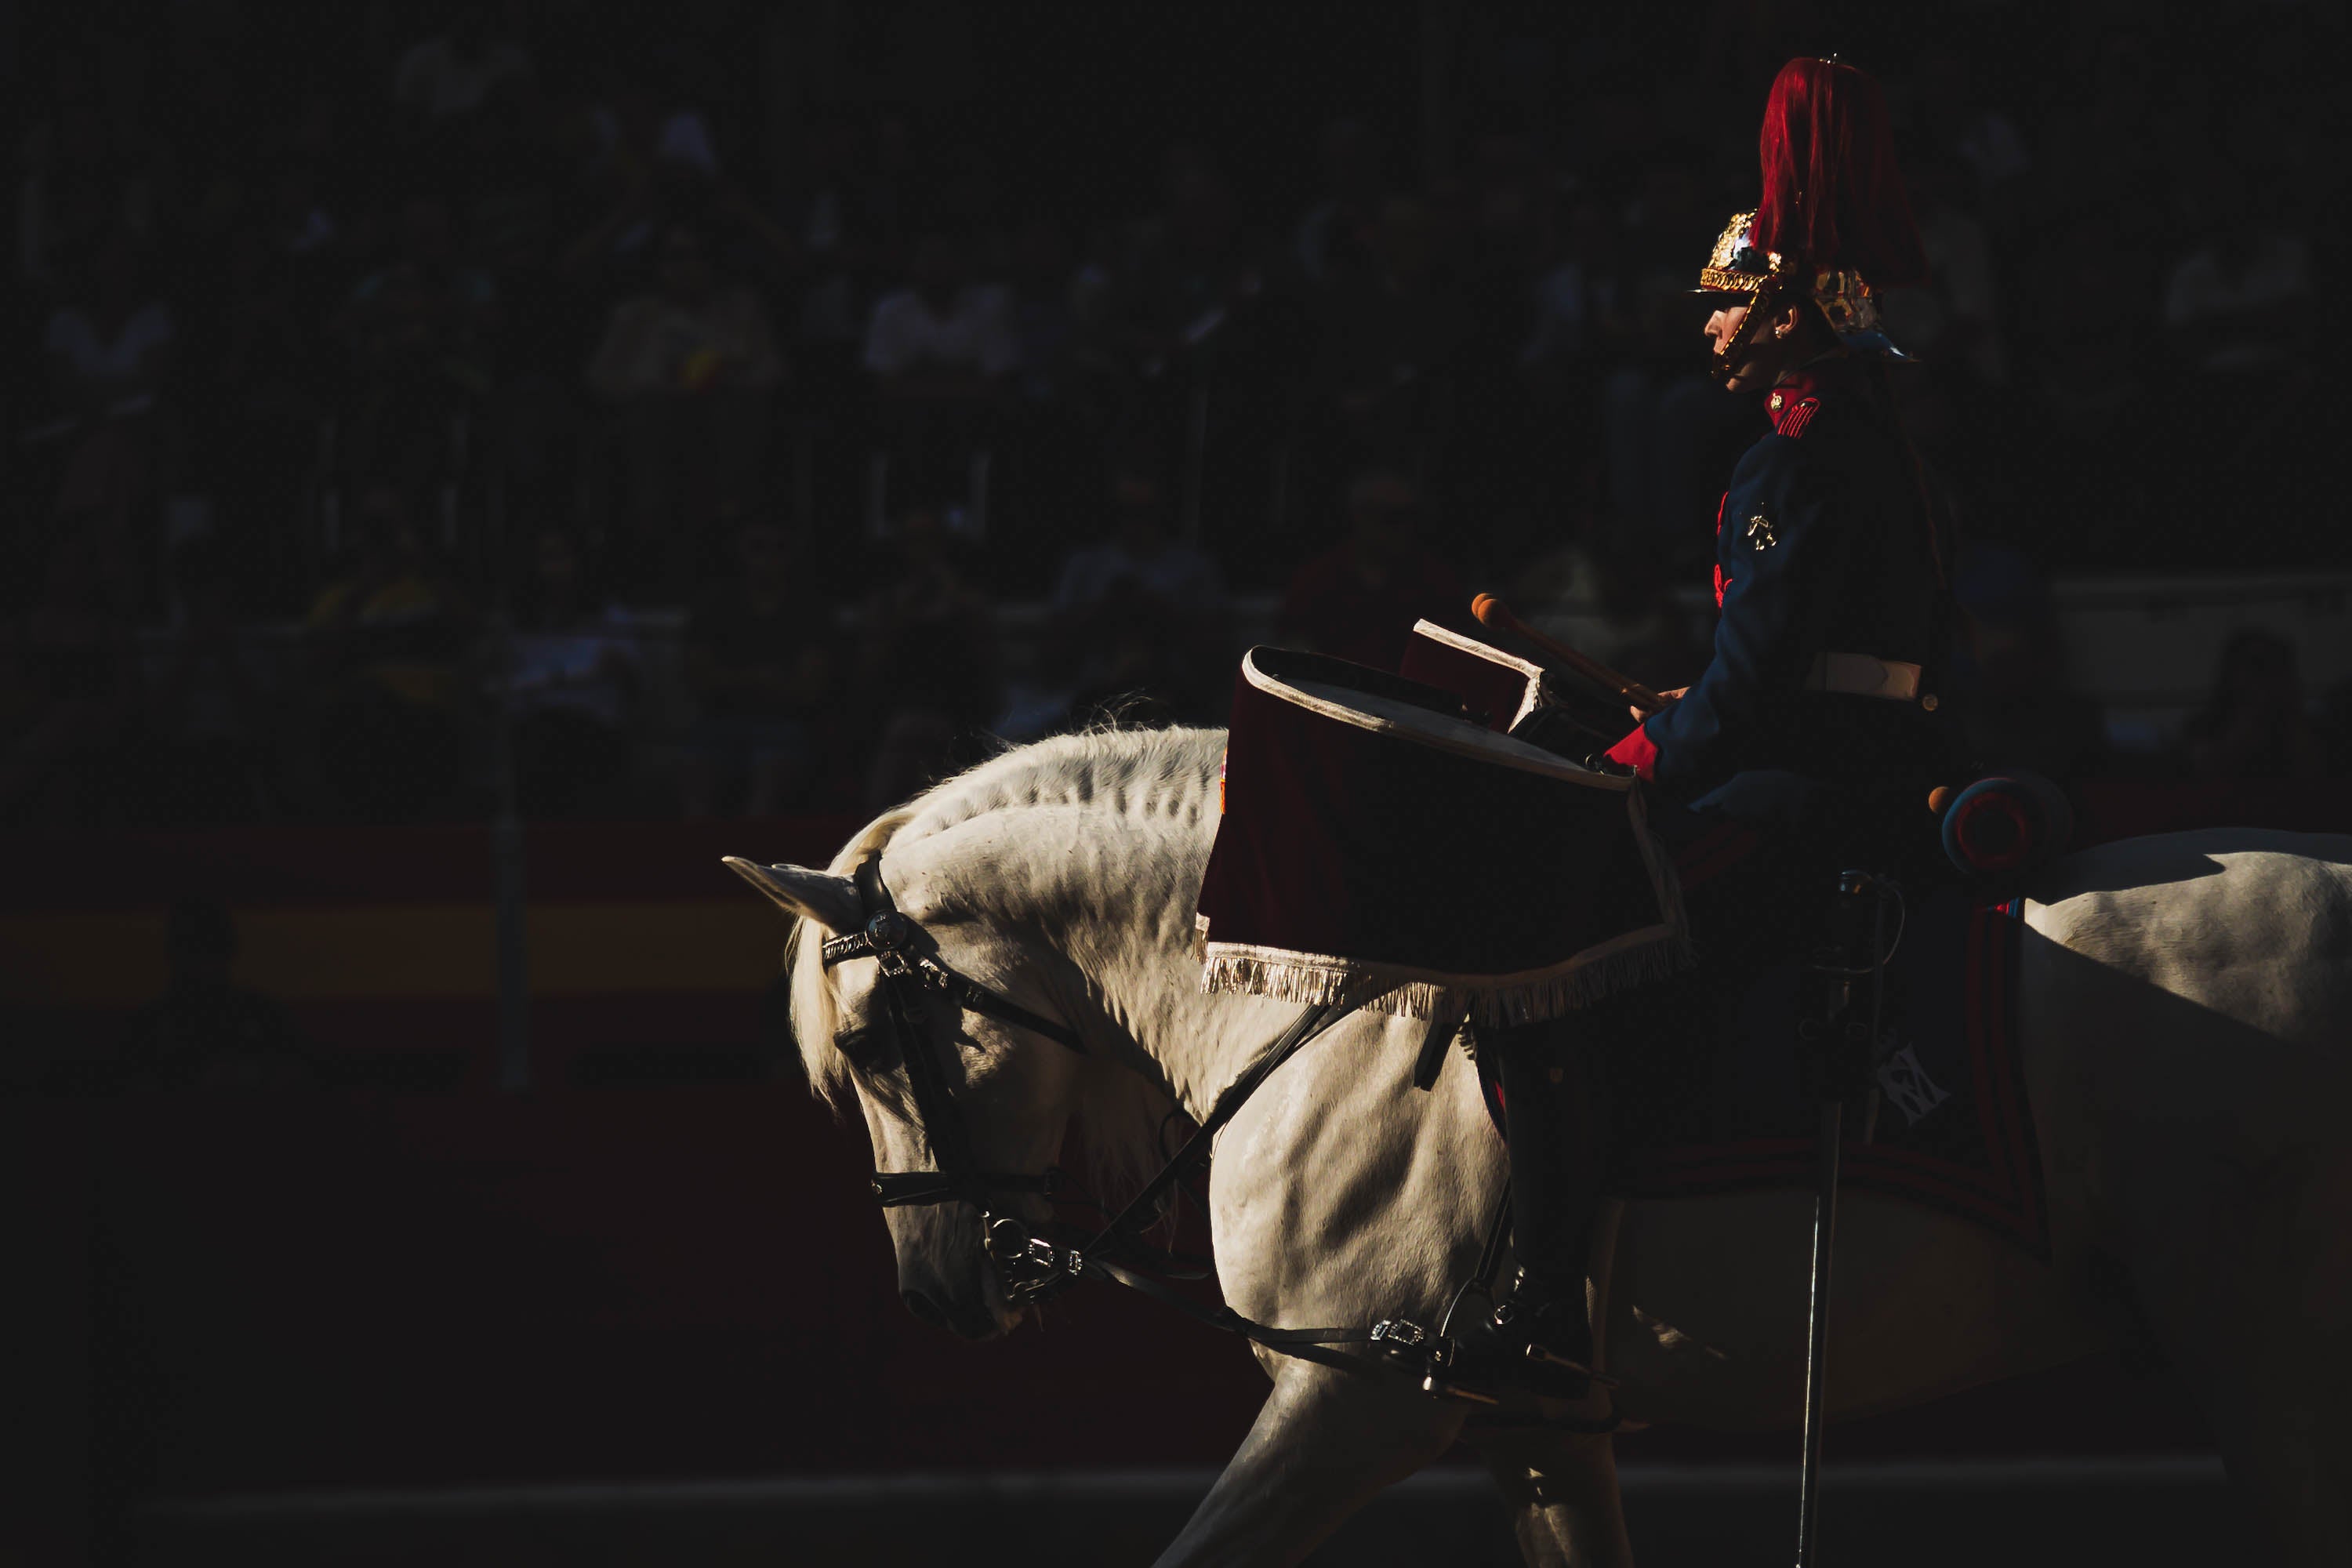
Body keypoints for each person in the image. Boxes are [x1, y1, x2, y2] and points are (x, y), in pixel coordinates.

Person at [1459, 58, 1953, 1406]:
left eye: (1730, 302)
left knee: (1550, 965)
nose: (1712, 327)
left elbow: (1756, 700)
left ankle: (1551, 1308)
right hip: (1845, 764)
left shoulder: (1793, 457)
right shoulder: (1865, 439)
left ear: (1790, 309)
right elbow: (1786, 671)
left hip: (1805, 801)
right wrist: (1689, 707)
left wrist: (1638, 758)